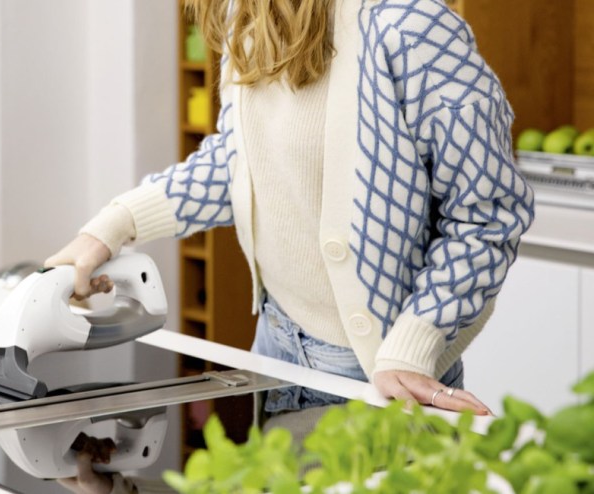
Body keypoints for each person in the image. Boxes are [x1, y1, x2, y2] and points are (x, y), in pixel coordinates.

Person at [48, 0, 533, 426]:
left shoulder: (411, 26)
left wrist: (414, 346)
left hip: (376, 373)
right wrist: (111, 228)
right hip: (274, 344)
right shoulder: (249, 16)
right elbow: (239, 161)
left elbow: (488, 217)